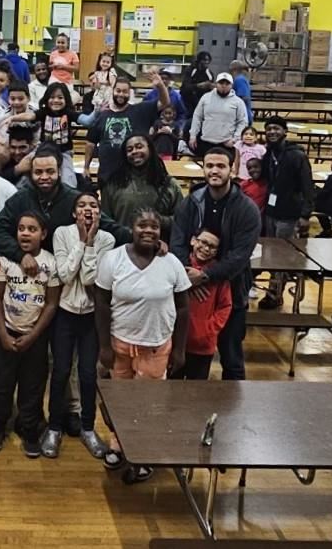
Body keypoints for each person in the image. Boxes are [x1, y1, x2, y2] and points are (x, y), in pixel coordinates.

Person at [96, 208, 191, 482]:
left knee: (149, 404)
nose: (148, 231)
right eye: (142, 225)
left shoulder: (170, 262)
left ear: (161, 232)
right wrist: (104, 346)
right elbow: (101, 303)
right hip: (120, 344)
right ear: (131, 228)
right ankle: (118, 444)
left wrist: (180, 349)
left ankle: (145, 453)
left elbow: (184, 309)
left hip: (156, 346)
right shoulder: (112, 259)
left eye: (154, 227)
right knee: (121, 402)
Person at [170, 147, 261, 380]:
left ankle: (234, 413)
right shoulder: (190, 203)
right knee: (182, 355)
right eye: (209, 165)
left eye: (220, 166)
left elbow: (240, 255)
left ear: (232, 169)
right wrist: (188, 277)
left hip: (231, 288)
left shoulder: (247, 209)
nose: (214, 171)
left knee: (231, 358)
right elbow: (177, 242)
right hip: (190, 291)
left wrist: (205, 276)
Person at [45, 191, 114, 459]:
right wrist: (82, 241)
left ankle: (88, 427)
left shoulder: (107, 239)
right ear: (74, 212)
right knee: (60, 370)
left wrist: (91, 240)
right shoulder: (62, 233)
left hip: (91, 317)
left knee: (87, 374)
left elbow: (88, 278)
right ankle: (53, 427)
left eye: (94, 205)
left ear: (99, 212)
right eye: (82, 205)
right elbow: (63, 273)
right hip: (64, 312)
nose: (88, 209)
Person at [0, 210, 60, 457]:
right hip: (6, 332)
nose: (25, 233)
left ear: (43, 234)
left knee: (33, 385)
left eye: (32, 229)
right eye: (21, 229)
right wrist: (2, 335)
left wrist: (33, 336)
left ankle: (29, 428)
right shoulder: (5, 260)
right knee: (0, 384)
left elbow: (51, 304)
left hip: (35, 338)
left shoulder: (50, 263)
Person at [256, 118, 313, 311]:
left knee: (280, 255)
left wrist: (306, 214)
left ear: (285, 131)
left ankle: (275, 294)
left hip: (289, 213)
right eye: (268, 129)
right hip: (271, 211)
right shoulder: (269, 154)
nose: (272, 132)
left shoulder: (296, 156)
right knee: (270, 253)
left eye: (276, 128)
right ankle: (274, 289)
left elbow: (307, 185)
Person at [83, 72, 170, 183]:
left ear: (130, 93)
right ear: (113, 91)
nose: (121, 94)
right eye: (118, 90)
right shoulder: (103, 115)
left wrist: (160, 86)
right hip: (107, 176)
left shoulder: (141, 110)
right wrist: (86, 167)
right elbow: (90, 143)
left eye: (125, 92)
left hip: (135, 177)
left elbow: (165, 103)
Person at [169, 230, 232, 381]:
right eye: (203, 242)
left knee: (196, 392)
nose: (206, 248)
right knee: (170, 389)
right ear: (193, 241)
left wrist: (209, 330)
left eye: (212, 246)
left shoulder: (218, 275)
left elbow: (225, 306)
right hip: (174, 342)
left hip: (202, 346)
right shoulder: (177, 267)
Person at [100, 134, 182, 241]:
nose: (134, 151)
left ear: (150, 149)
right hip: (121, 246)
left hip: (157, 248)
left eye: (139, 147)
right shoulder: (113, 184)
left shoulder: (170, 184)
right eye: (129, 149)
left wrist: (160, 220)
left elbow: (181, 221)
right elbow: (105, 220)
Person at [188, 73, 248, 156]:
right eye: (221, 83)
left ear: (231, 85)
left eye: (227, 83)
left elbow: (243, 122)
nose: (224, 86)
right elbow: (197, 117)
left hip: (226, 144)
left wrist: (235, 139)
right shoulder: (205, 98)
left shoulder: (238, 102)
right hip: (206, 142)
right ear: (216, 84)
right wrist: (193, 135)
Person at [35, 83, 80, 187]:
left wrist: (96, 112)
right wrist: (12, 118)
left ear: (66, 100)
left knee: (68, 181)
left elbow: (86, 120)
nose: (56, 100)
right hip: (43, 152)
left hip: (64, 152)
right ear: (46, 99)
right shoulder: (43, 112)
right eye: (52, 97)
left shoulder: (68, 113)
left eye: (60, 97)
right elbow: (30, 116)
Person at [180, 51, 214, 119]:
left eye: (208, 60)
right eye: (204, 60)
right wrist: (198, 86)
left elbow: (211, 87)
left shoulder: (209, 73)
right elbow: (185, 87)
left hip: (201, 102)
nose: (206, 62)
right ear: (199, 60)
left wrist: (212, 87)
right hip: (187, 101)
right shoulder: (190, 70)